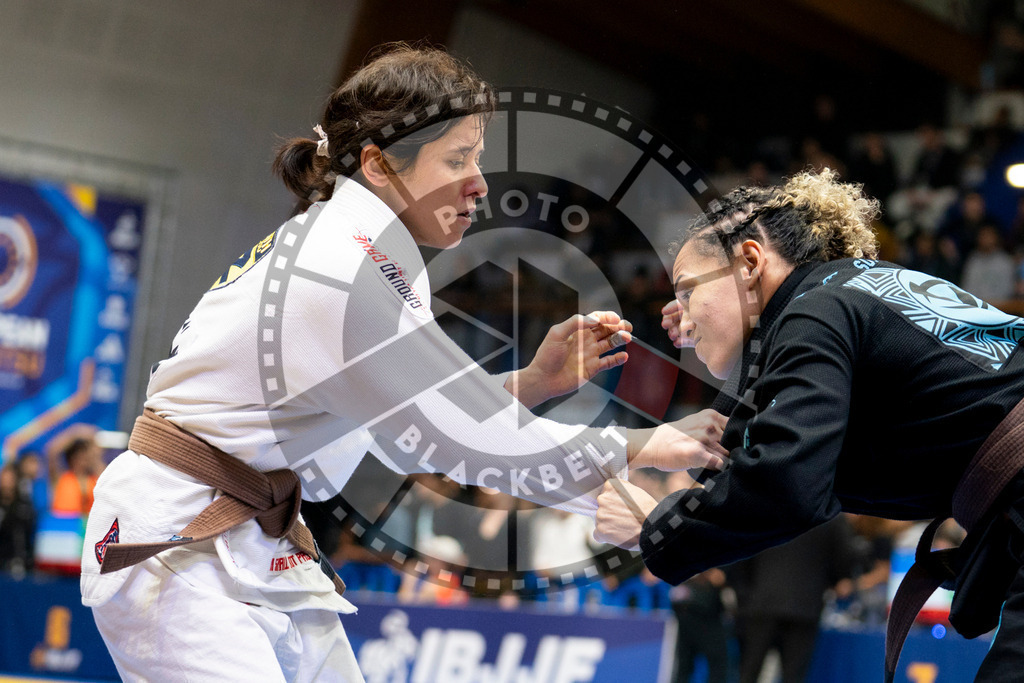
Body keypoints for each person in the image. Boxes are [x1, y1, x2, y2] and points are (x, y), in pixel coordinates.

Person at [81, 43, 728, 683]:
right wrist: (636, 447)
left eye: (478, 158)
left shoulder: (373, 258)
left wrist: (529, 384)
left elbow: (405, 426)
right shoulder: (340, 268)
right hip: (177, 534)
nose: (479, 181)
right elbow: (448, 438)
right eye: (457, 159)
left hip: (251, 534)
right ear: (379, 163)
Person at [593, 167, 1024, 681]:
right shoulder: (846, 290)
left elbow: (787, 478)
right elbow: (779, 425)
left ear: (750, 261)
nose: (679, 319)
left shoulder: (815, 310)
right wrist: (714, 326)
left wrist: (657, 527)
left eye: (686, 291)